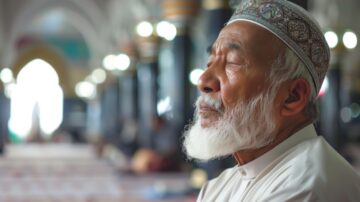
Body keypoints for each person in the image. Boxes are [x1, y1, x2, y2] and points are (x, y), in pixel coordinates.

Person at [183, 0, 360, 201]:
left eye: (232, 63)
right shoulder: (221, 186)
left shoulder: (304, 186)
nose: (203, 81)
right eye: (209, 63)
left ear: (292, 96)